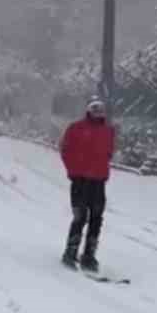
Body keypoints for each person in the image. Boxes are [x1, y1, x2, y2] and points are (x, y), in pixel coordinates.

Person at [59, 97, 116, 272]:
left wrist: (102, 167)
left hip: (98, 181)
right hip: (80, 179)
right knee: (80, 216)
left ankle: (89, 255)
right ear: (88, 111)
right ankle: (71, 251)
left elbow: (109, 152)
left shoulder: (108, 131)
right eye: (95, 109)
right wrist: (73, 170)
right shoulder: (76, 128)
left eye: (101, 110)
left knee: (96, 218)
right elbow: (65, 150)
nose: (98, 113)